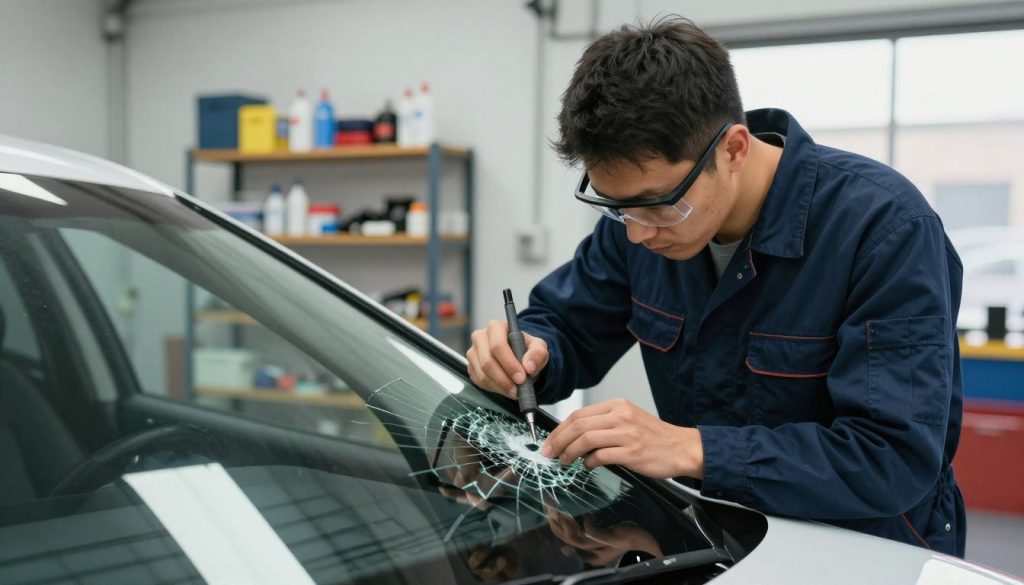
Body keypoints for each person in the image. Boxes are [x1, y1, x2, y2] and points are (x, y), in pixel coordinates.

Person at [465, 16, 965, 556]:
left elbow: (891, 457)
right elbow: (566, 326)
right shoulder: (642, 223)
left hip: (864, 551)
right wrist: (528, 352)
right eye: (615, 206)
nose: (636, 233)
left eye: (658, 204)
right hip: (712, 539)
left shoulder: (884, 228)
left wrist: (690, 449)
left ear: (733, 149)